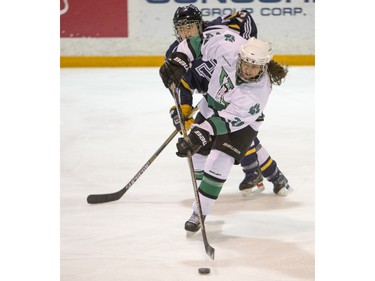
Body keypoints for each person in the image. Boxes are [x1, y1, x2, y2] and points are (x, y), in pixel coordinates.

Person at [159, 28, 289, 232]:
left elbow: (224, 123)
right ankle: (203, 198)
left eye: (254, 68)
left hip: (241, 125)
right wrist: (179, 60)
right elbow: (197, 43)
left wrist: (198, 135)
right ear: (240, 57)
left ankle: (199, 212)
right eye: (246, 63)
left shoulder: (257, 94)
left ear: (263, 68)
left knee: (218, 162)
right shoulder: (229, 46)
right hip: (211, 106)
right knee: (197, 157)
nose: (247, 70)